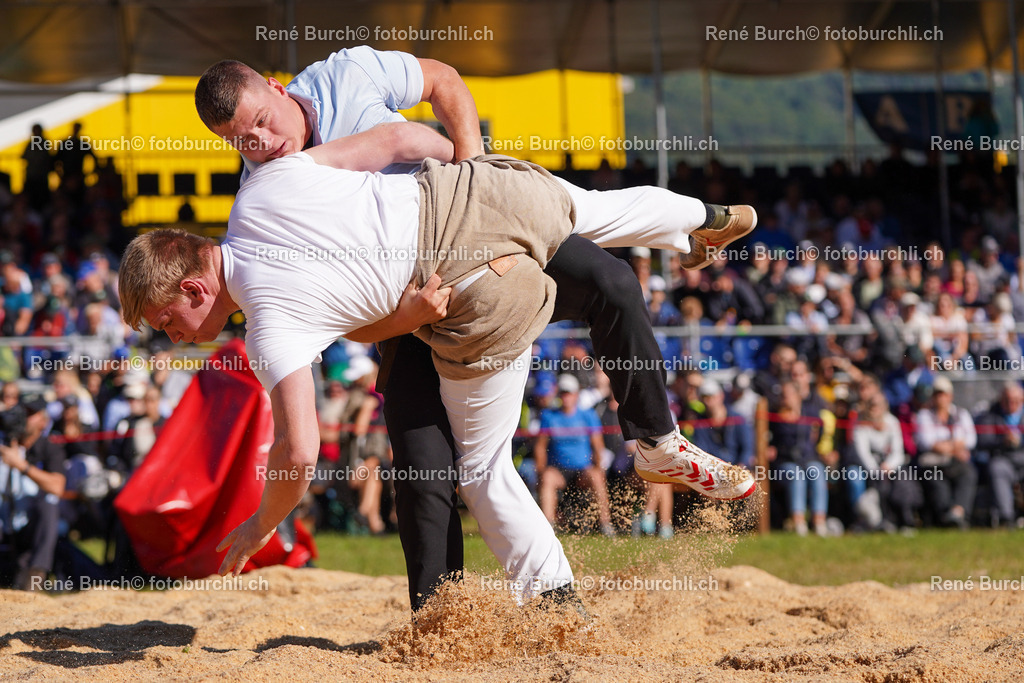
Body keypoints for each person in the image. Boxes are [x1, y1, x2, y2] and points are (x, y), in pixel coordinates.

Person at [192, 51, 758, 609]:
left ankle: (657, 437)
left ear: (277, 85)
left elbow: (441, 81)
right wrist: (406, 317)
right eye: (241, 141)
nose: (260, 145)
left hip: (471, 219)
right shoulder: (261, 188)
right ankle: (443, 617)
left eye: (261, 123)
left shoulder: (347, 73)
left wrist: (472, 166)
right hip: (406, 301)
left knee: (609, 274)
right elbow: (330, 312)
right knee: (423, 461)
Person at [0, 397, 66, 590]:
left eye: (30, 414)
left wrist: (21, 465)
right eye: (22, 412)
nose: (24, 418)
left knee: (49, 505)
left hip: (30, 527)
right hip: (5, 524)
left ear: (43, 422)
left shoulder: (50, 448)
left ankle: (35, 580)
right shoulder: (4, 444)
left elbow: (57, 487)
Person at [534, 374, 613, 535]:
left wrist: (599, 468)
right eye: (563, 393)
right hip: (559, 471)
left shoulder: (588, 415)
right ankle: (548, 528)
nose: (566, 397)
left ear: (576, 394)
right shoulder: (549, 417)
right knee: (548, 478)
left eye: (569, 393)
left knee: (597, 477)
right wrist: (541, 471)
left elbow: (598, 446)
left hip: (582, 471)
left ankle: (605, 525)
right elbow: (540, 447)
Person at [915, 376, 977, 529]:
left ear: (950, 396)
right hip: (933, 463)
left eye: (943, 394)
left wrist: (945, 446)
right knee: (937, 482)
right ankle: (945, 517)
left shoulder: (961, 414)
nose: (940, 398)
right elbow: (926, 442)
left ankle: (958, 512)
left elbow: (970, 440)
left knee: (968, 474)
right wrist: (955, 447)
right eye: (937, 394)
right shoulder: (924, 416)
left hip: (956, 462)